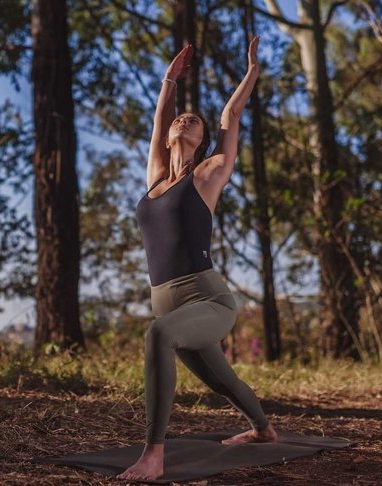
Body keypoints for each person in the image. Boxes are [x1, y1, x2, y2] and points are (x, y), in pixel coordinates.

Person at [117, 36, 278, 481]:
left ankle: (154, 453)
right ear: (171, 134)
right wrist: (169, 80)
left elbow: (231, 116)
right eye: (181, 119)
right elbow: (157, 121)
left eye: (196, 123)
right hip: (165, 299)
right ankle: (263, 429)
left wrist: (251, 74)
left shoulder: (207, 175)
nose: (186, 120)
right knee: (222, 380)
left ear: (203, 141)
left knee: (158, 336)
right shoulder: (154, 180)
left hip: (207, 301)